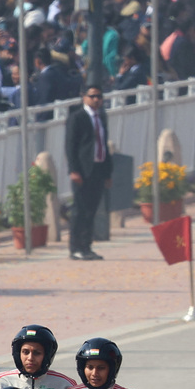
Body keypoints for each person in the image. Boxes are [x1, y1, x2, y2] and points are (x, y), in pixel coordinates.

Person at [65, 86, 111, 260]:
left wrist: (107, 173)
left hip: (98, 169)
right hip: (83, 170)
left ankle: (86, 246)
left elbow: (104, 145)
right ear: (84, 97)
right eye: (93, 96)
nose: (96, 100)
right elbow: (71, 146)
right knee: (79, 210)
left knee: (92, 209)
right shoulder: (77, 118)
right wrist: (74, 170)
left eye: (99, 96)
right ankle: (75, 247)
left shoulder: (101, 118)